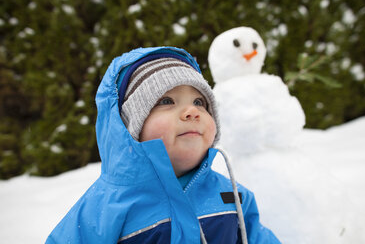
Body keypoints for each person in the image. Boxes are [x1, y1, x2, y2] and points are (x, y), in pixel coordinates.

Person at [46, 46, 280, 244]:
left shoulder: (230, 195)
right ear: (131, 126)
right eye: (166, 101)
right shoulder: (103, 209)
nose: (191, 111)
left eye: (199, 102)